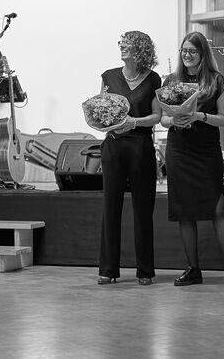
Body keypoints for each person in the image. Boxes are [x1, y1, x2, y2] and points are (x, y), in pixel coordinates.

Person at [162, 31, 224, 288]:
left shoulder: (216, 80)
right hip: (179, 150)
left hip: (206, 152)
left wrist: (199, 116)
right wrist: (174, 120)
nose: (187, 55)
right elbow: (162, 119)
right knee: (184, 211)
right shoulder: (171, 80)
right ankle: (193, 269)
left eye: (192, 51)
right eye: (184, 51)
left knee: (218, 209)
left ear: (202, 54)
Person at [95, 31, 163, 286]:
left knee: (143, 210)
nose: (122, 47)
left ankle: (145, 270)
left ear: (141, 50)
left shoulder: (153, 79)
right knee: (110, 209)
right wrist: (104, 121)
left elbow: (157, 116)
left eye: (128, 45)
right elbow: (100, 109)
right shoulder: (108, 76)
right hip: (113, 146)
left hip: (140, 146)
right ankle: (108, 269)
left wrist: (133, 122)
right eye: (121, 44)